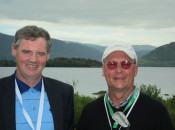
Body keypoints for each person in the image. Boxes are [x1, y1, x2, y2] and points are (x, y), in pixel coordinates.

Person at [77, 43, 174, 130]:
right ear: (103, 70)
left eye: (126, 64)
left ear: (135, 70)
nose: (119, 70)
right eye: (112, 64)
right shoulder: (90, 112)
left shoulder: (157, 112)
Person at [0, 25, 74, 130]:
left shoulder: (64, 92)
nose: (33, 60)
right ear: (14, 50)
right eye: (26, 52)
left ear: (48, 55)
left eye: (40, 53)